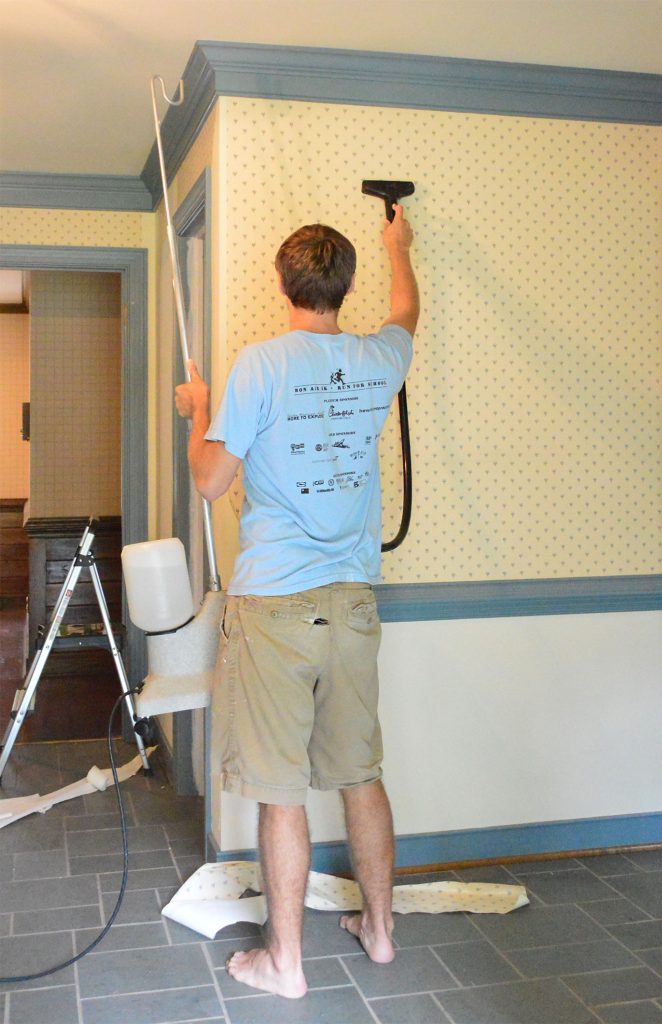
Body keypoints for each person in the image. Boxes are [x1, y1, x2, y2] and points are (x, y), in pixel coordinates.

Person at [175, 205, 418, 999]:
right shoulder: (380, 356)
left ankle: (285, 964)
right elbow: (408, 312)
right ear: (342, 287)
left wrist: (197, 412)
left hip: (276, 607)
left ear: (285, 284)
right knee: (361, 775)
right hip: (352, 602)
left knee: (280, 791)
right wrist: (399, 247)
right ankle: (379, 934)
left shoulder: (260, 364)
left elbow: (211, 480)